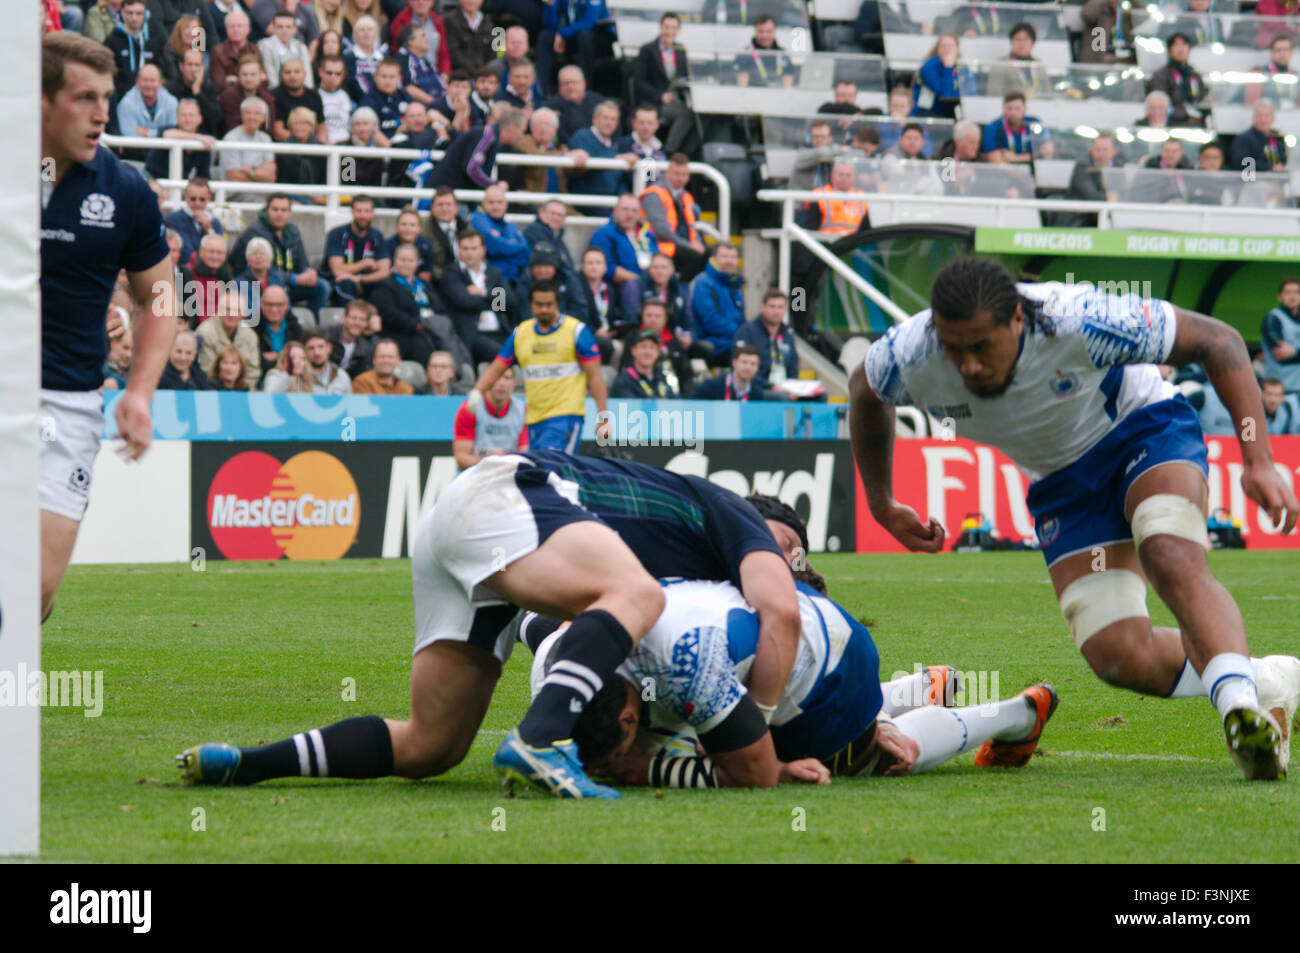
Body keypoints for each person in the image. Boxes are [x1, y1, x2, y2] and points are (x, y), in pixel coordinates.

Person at [851, 256, 1300, 781]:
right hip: (1062, 482)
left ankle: (1237, 712)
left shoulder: (1081, 320)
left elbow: (1218, 340)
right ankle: (1267, 682)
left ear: (1018, 320)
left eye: (980, 347)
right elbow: (865, 390)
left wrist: (1258, 459)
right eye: (954, 350)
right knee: (1119, 656)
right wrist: (881, 501)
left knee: (1168, 551)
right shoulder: (912, 351)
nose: (967, 365)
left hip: (1143, 429)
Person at [178, 446, 804, 800]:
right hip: (508, 497)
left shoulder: (698, 574)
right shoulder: (734, 515)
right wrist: (765, 743)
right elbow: (781, 612)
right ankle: (540, 738)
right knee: (635, 595)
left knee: (431, 747)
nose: (786, 564)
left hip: (465, 528)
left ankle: (248, 763)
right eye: (788, 549)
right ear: (768, 524)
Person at [537, 575, 1060, 788]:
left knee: (878, 762)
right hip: (760, 634)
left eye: (606, 759)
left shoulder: (686, 666)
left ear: (628, 718)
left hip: (825, 662)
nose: (602, 773)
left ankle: (1019, 715)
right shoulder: (554, 664)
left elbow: (753, 771)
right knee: (692, 730)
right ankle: (914, 690)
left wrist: (645, 768)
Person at [470, 280, 605, 453]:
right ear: (531, 305)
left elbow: (595, 377)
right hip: (533, 420)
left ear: (557, 304)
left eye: (549, 305)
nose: (544, 309)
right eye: (539, 305)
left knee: (550, 467)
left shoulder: (576, 331)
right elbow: (498, 366)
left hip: (565, 417)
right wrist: (477, 391)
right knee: (544, 475)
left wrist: (603, 418)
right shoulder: (521, 333)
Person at [229, 194, 330, 314]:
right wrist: (294, 279)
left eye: (284, 210)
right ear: (267, 211)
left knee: (322, 287)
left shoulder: (293, 231)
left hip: (287, 284)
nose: (279, 214)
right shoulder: (255, 232)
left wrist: (308, 273)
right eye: (275, 209)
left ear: (290, 212)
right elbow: (264, 270)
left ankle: (310, 326)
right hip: (258, 285)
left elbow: (302, 263)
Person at [440, 229, 515, 363]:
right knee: (505, 358)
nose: (469, 253)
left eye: (474, 248)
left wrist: (483, 292)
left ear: (483, 250)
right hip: (473, 335)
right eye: (465, 248)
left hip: (500, 331)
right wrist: (494, 298)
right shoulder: (451, 273)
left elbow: (508, 302)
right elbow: (464, 301)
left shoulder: (494, 273)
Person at [630, 13, 696, 156]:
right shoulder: (648, 50)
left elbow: (685, 77)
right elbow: (638, 81)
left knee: (697, 114)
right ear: (661, 28)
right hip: (653, 102)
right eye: (667, 27)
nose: (670, 32)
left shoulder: (680, 51)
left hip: (674, 101)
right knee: (685, 114)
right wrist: (660, 96)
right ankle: (669, 152)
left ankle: (684, 154)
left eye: (674, 28)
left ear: (678, 30)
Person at [369, 242, 443, 366]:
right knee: (423, 348)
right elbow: (389, 313)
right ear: (395, 261)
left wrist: (437, 323)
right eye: (402, 260)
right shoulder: (385, 285)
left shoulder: (425, 285)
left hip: (430, 329)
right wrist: (417, 325)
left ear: (417, 263)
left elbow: (439, 307)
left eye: (410, 260)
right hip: (401, 333)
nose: (406, 264)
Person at [589, 193, 658, 320]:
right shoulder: (604, 233)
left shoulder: (647, 234)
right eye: (625, 209)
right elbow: (607, 268)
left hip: (651, 281)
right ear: (615, 211)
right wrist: (640, 280)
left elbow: (657, 259)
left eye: (634, 210)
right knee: (632, 286)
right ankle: (633, 330)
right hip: (622, 286)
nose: (630, 214)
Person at [640, 153, 707, 283]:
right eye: (677, 173)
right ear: (667, 173)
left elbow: (692, 226)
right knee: (694, 256)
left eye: (684, 175)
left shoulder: (686, 197)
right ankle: (677, 289)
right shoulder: (654, 193)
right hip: (661, 245)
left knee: (709, 253)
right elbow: (661, 231)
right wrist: (689, 245)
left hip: (682, 244)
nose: (680, 178)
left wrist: (697, 243)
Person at [426, 105, 527, 190]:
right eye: (522, 131)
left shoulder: (489, 136)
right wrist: (494, 186)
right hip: (450, 195)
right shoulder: (486, 135)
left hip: (454, 193)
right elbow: (472, 168)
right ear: (512, 127)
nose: (522, 136)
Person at [452, 365, 526, 467]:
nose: (502, 383)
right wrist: (491, 461)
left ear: (514, 383)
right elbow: (461, 458)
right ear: (486, 381)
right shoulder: (469, 409)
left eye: (507, 378)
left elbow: (525, 454)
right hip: (476, 474)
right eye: (497, 378)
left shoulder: (523, 412)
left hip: (508, 473)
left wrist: (502, 462)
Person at [538, 0, 615, 96]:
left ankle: (586, 90)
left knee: (585, 36)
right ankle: (541, 89)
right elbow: (550, 25)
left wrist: (562, 34)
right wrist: (551, 6)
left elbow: (589, 21)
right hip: (575, 37)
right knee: (545, 36)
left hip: (600, 39)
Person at [323, 195, 389, 303]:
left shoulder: (377, 236)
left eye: (367, 211)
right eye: (359, 211)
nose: (363, 215)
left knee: (386, 286)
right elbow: (338, 271)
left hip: (365, 281)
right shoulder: (337, 234)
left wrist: (360, 278)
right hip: (337, 282)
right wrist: (365, 263)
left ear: (373, 213)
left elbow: (385, 271)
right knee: (346, 283)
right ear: (352, 211)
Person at [567, 101, 638, 196]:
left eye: (613, 119)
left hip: (611, 204)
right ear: (595, 119)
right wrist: (615, 159)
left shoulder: (613, 146)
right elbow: (588, 166)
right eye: (605, 118)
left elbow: (618, 179)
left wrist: (624, 196)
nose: (609, 123)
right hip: (586, 202)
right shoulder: (582, 137)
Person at [624, 297, 692, 395]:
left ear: (665, 319)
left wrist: (686, 401)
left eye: (657, 316)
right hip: (640, 391)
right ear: (641, 316)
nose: (653, 319)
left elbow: (685, 373)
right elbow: (629, 368)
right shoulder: (632, 338)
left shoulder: (674, 341)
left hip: (673, 395)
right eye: (649, 315)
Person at [691, 243, 745, 366]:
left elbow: (741, 318)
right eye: (725, 256)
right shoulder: (703, 283)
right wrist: (741, 334)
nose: (729, 261)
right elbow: (710, 322)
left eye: (733, 257)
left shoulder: (735, 284)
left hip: (733, 339)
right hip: (713, 341)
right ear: (713, 259)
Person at [196, 286, 261, 389]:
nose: (232, 315)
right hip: (213, 390)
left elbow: (253, 372)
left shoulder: (250, 335)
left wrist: (242, 389)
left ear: (243, 314)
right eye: (228, 309)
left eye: (237, 311)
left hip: (243, 392)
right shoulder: (205, 332)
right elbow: (206, 370)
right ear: (219, 310)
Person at [734, 289, 799, 389]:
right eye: (772, 307)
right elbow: (740, 367)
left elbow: (794, 367)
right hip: (757, 388)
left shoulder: (788, 334)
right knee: (781, 398)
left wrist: (792, 387)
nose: (776, 311)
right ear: (763, 307)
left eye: (780, 307)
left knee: (820, 396)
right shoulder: (747, 331)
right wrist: (771, 387)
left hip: (785, 387)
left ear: (785, 309)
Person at [470, 183, 532, 283]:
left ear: (506, 205)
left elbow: (526, 252)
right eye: (491, 202)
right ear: (483, 204)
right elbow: (493, 247)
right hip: (493, 281)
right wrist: (515, 246)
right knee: (501, 298)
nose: (495, 206)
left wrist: (504, 247)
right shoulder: (478, 220)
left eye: (499, 202)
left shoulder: (512, 226)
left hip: (516, 278)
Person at [1145, 33, 1209, 128]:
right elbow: (1158, 104)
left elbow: (1201, 98)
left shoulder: (1194, 75)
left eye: (1184, 44)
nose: (1180, 48)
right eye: (1175, 45)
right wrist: (1186, 116)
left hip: (1196, 122)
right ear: (1169, 50)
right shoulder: (1161, 75)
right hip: (1171, 123)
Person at [105, 0, 165, 99]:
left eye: (138, 13)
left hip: (148, 96)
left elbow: (159, 70)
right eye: (130, 13)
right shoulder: (112, 41)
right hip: (120, 96)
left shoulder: (151, 42)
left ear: (145, 15)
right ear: (123, 13)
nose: (134, 18)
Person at [217, 97, 277, 192]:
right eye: (248, 113)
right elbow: (234, 177)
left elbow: (271, 177)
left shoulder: (266, 138)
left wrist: (250, 172)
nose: (252, 117)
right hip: (236, 194)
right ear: (241, 115)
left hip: (261, 193)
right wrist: (260, 176)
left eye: (257, 113)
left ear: (264, 117)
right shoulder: (231, 138)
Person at [577, 246, 624, 363]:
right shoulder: (577, 288)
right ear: (582, 267)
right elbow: (577, 316)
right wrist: (595, 331)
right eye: (590, 263)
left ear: (605, 267)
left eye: (598, 263)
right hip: (588, 335)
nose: (594, 267)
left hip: (608, 333)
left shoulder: (609, 289)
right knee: (617, 348)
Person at [1066, 131, 1122, 225]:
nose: (1101, 153)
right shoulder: (1083, 167)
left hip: (1111, 218)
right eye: (1097, 150)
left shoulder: (1119, 168)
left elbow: (1123, 195)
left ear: (1113, 151)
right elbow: (1092, 196)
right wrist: (1109, 198)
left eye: (1105, 150)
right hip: (1081, 221)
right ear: (1091, 150)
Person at [116, 64, 178, 148]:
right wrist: (162, 134)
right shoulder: (126, 104)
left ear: (160, 82)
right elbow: (130, 141)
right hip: (135, 158)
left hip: (165, 157)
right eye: (145, 80)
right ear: (137, 81)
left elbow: (175, 134)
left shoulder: (171, 102)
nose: (149, 85)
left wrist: (148, 133)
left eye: (152, 81)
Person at [911, 33, 970, 120]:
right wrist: (948, 68)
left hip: (953, 110)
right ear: (937, 49)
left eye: (950, 46)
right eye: (943, 46)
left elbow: (969, 92)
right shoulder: (929, 66)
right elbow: (945, 95)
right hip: (928, 111)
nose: (947, 50)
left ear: (957, 49)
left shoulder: (962, 67)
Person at [165, 47, 223, 136]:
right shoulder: (171, 88)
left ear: (203, 68)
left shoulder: (209, 88)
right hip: (175, 138)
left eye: (197, 65)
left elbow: (215, 120)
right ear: (181, 67)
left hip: (203, 141)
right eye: (190, 65)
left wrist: (198, 93)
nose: (193, 69)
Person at [987, 22, 1052, 99]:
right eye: (1018, 39)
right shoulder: (1001, 64)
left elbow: (1048, 93)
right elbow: (993, 95)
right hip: (1012, 109)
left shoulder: (1038, 65)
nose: (1022, 43)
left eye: (1026, 39)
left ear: (1033, 43)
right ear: (1011, 41)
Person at [165, 178, 224, 264]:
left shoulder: (215, 222)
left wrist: (209, 229)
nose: (197, 203)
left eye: (202, 199)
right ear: (185, 198)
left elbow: (220, 254)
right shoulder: (173, 219)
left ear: (209, 199)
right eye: (193, 199)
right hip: (182, 273)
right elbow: (187, 255)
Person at [803, 158, 869, 236]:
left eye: (848, 175)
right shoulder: (819, 195)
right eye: (841, 175)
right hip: (825, 243)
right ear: (832, 176)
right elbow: (810, 228)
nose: (844, 179)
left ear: (854, 178)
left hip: (853, 243)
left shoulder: (861, 197)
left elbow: (866, 229)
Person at [542, 65, 604, 145]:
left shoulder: (598, 102)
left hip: (596, 148)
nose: (570, 86)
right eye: (566, 83)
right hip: (565, 150)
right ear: (559, 86)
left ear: (584, 84)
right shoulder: (550, 106)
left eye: (574, 82)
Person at [980, 91, 1045, 166]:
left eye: (1017, 109)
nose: (1013, 113)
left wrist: (1015, 158)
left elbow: (1047, 152)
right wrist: (1030, 158)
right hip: (1005, 175)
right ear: (1004, 109)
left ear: (1025, 109)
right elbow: (996, 161)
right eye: (1009, 108)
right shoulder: (993, 127)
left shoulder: (1034, 123)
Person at [388, 0, 451, 77]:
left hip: (434, 74)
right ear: (409, 1)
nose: (421, 2)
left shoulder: (437, 21)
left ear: (432, 2)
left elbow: (443, 53)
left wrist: (444, 72)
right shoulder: (400, 21)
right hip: (411, 73)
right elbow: (398, 51)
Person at [610, 329, 679, 399]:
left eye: (652, 348)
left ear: (657, 352)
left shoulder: (663, 378)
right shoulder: (623, 381)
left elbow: (676, 401)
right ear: (633, 351)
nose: (647, 352)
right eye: (643, 347)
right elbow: (631, 407)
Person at [732, 14, 796, 88]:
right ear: (755, 31)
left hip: (778, 97)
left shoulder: (783, 55)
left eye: (769, 31)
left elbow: (787, 87)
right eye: (760, 31)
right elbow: (742, 88)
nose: (764, 36)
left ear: (774, 31)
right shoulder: (745, 55)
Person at [254, 284, 304, 376]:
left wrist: (277, 356)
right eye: (269, 304)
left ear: (287, 305)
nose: (274, 309)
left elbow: (299, 361)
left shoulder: (296, 328)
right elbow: (255, 361)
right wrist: (284, 357)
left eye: (279, 305)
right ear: (261, 304)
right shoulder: (252, 327)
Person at [218, 54, 274, 134]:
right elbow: (230, 128)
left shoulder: (268, 99)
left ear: (261, 75)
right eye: (244, 74)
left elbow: (269, 129)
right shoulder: (228, 96)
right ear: (238, 75)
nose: (248, 79)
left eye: (253, 74)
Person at [522, 199, 578, 280]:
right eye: (552, 213)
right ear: (541, 212)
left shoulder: (558, 239)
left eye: (560, 215)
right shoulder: (533, 232)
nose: (555, 217)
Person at [271, 59, 326, 142]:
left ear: (304, 74)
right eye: (288, 72)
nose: (292, 76)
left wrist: (321, 143)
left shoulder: (314, 96)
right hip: (286, 147)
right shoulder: (274, 96)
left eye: (297, 72)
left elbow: (321, 127)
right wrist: (302, 139)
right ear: (281, 75)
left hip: (312, 146)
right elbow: (278, 132)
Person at [1261, 277, 1300, 393]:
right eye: (1287, 292)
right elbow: (1280, 354)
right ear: (1280, 297)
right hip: (1280, 391)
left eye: (1296, 292)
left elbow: (1289, 353)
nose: (1292, 296)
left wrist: (1293, 352)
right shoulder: (1273, 319)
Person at [260, 8, 314, 90]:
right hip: (276, 94)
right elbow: (272, 82)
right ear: (273, 28)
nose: (284, 31)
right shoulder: (265, 46)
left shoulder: (301, 47)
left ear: (295, 29)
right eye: (280, 27)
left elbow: (308, 79)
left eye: (288, 27)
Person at [692, 345, 771, 401]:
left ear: (757, 368)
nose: (748, 367)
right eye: (744, 362)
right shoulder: (711, 387)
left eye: (753, 364)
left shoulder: (757, 394)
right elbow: (692, 407)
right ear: (734, 363)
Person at [790, 119, 849, 192]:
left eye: (823, 137)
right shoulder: (803, 153)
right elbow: (819, 153)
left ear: (830, 138)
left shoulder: (833, 154)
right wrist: (839, 149)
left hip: (828, 200)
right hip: (803, 200)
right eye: (816, 136)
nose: (819, 140)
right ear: (810, 138)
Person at [1230, 101, 1288, 174]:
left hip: (1275, 181)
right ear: (1254, 118)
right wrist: (1269, 167)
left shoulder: (1277, 138)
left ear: (1273, 118)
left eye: (1267, 116)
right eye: (1259, 116)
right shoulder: (1243, 139)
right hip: (1250, 182)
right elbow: (1239, 163)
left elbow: (1282, 160)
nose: (1263, 120)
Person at [326, 297, 378, 377]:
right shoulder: (326, 335)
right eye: (353, 318)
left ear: (367, 323)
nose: (357, 323)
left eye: (362, 319)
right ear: (344, 318)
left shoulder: (367, 347)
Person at [1245, 34, 1300, 108]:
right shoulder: (1258, 72)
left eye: (1286, 50)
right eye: (1278, 50)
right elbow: (1251, 104)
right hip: (1266, 116)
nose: (1282, 54)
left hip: (1290, 116)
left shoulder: (1296, 76)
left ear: (1291, 52)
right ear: (1272, 52)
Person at [424, 186, 465, 283]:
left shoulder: (467, 228)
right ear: (432, 207)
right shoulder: (423, 231)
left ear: (456, 207)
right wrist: (447, 277)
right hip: (438, 281)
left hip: (466, 279)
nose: (444, 209)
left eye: (448, 204)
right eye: (440, 205)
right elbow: (426, 263)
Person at [444, 0, 496, 74]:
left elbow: (493, 53)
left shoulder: (488, 22)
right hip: (459, 75)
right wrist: (475, 73)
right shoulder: (449, 20)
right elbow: (453, 53)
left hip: (483, 76)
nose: (471, 1)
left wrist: (485, 73)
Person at [1080, 0, 1137, 65]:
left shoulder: (1125, 9)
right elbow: (1086, 14)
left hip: (1125, 58)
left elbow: (1144, 15)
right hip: (1097, 60)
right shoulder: (1102, 8)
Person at [211, 7, 256, 89]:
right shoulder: (217, 52)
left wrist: (233, 80)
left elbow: (263, 79)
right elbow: (219, 83)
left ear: (248, 29)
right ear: (226, 30)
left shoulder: (255, 50)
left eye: (240, 26)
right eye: (232, 26)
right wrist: (250, 80)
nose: (236, 29)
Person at [316, 54, 355, 144]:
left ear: (343, 75)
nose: (333, 77)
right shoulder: (312, 95)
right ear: (320, 72)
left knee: (351, 159)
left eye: (338, 74)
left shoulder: (346, 95)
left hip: (346, 146)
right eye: (329, 73)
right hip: (321, 147)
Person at [303, 330, 353, 395]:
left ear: (329, 348)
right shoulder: (299, 378)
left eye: (320, 347)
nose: (316, 352)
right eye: (311, 348)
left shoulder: (342, 376)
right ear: (304, 351)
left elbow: (349, 403)